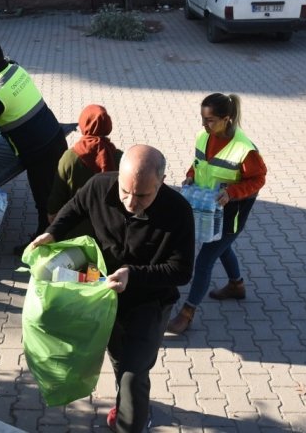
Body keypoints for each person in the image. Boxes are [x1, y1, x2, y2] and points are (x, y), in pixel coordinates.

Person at [30, 145, 195, 432]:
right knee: (120, 359)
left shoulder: (178, 211)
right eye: (125, 192)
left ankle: (131, 423)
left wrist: (134, 275)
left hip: (149, 302)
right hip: (104, 293)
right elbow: (74, 208)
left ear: (162, 180)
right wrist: (52, 232)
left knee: (134, 372)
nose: (131, 202)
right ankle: (128, 401)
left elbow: (181, 271)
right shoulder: (99, 185)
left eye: (143, 195)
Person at [166, 93, 267, 335]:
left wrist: (233, 192)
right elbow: (200, 163)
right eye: (202, 118)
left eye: (210, 120)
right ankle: (236, 285)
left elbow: (259, 178)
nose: (204, 124)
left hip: (231, 214)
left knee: (205, 259)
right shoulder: (204, 136)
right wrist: (190, 174)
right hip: (209, 209)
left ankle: (188, 313)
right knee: (222, 247)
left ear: (227, 119)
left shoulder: (245, 149)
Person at [0, 39, 67, 254]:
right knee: (58, 192)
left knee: (44, 199)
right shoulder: (16, 68)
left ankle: (43, 244)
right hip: (55, 135)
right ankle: (58, 232)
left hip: (38, 151)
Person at [47, 104, 122, 238]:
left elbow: (57, 194)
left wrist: (53, 218)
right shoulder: (119, 157)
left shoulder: (70, 157)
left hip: (75, 229)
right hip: (110, 230)